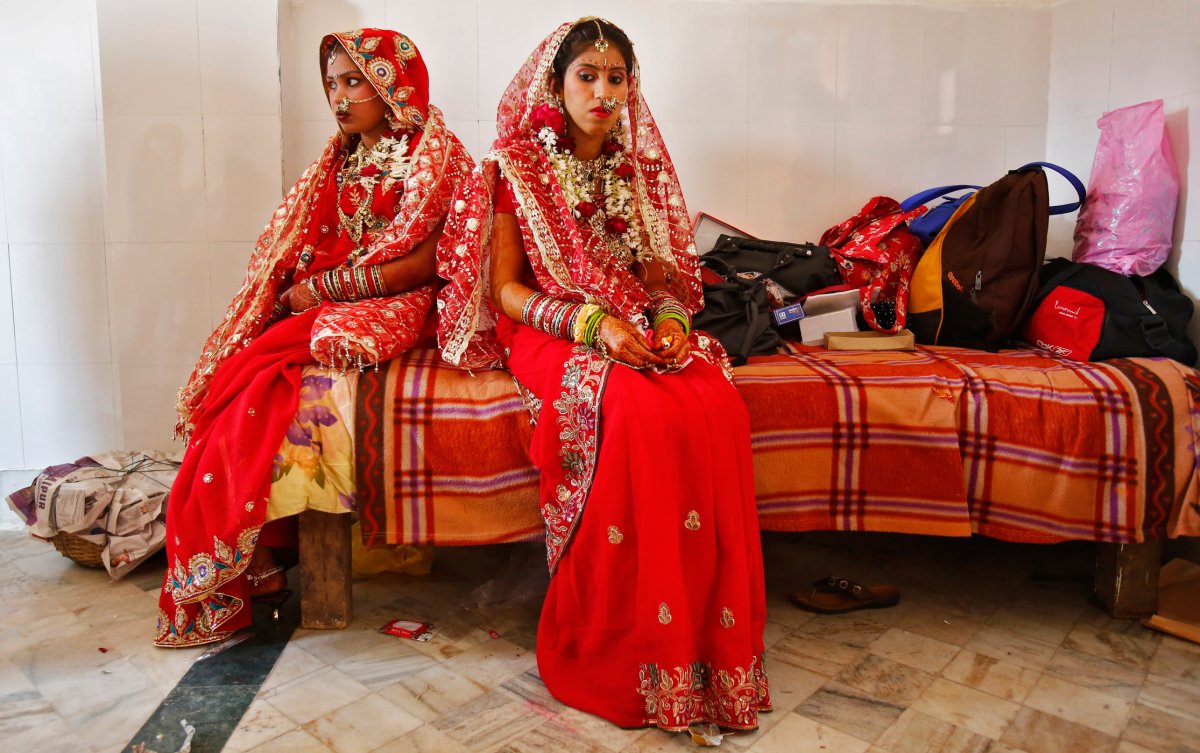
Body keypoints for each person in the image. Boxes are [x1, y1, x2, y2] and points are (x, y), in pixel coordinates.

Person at [437, 17, 770, 731]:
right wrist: (593, 328)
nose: (603, 92)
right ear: (555, 85)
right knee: (642, 413)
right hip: (547, 326)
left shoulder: (635, 168)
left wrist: (671, 321)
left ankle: (704, 649)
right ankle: (626, 648)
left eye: (616, 77)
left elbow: (660, 277)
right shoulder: (516, 168)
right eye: (586, 76)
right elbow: (505, 292)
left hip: (627, 319)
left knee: (716, 403)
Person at [156, 29, 473, 647]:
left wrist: (328, 288)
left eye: (355, 81)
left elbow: (427, 262)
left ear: (393, 85)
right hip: (331, 296)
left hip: (402, 302)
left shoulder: (437, 156)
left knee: (256, 377)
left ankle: (253, 559)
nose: (339, 98)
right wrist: (293, 289)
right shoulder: (339, 158)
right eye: (332, 84)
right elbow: (306, 242)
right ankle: (260, 557)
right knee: (239, 375)